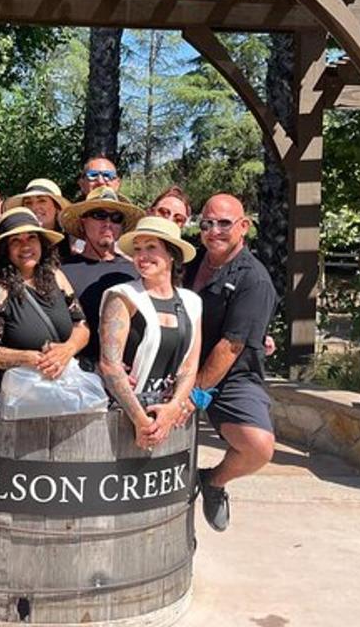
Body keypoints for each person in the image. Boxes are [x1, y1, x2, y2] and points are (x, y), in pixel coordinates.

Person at [185, 193, 278, 532]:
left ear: (244, 227)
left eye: (224, 223)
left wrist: (193, 395)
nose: (214, 230)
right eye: (207, 223)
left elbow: (232, 345)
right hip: (181, 362)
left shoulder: (254, 279)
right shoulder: (189, 261)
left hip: (231, 376)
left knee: (257, 447)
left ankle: (213, 482)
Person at [96, 217, 202, 450]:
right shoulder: (122, 296)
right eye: (137, 249)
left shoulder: (192, 303)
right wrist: (141, 421)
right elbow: (109, 365)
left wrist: (173, 407)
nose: (142, 256)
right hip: (122, 416)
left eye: (151, 247)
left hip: (167, 416)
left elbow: (189, 365)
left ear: (172, 254)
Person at [0, 207, 89, 393]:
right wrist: (31, 359)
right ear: (4, 250)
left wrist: (68, 348)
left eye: (31, 237)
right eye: (15, 240)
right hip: (17, 394)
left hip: (62, 386)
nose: (25, 246)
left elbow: (81, 324)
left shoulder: (56, 276)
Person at [59, 188, 144, 370]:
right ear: (83, 221)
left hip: (130, 378)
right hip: (78, 377)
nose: (108, 223)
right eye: (99, 215)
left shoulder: (135, 272)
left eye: (116, 218)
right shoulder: (62, 272)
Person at [3, 178, 71, 234]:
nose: (34, 207)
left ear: (57, 207)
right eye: (28, 203)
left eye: (42, 201)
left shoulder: (73, 241)